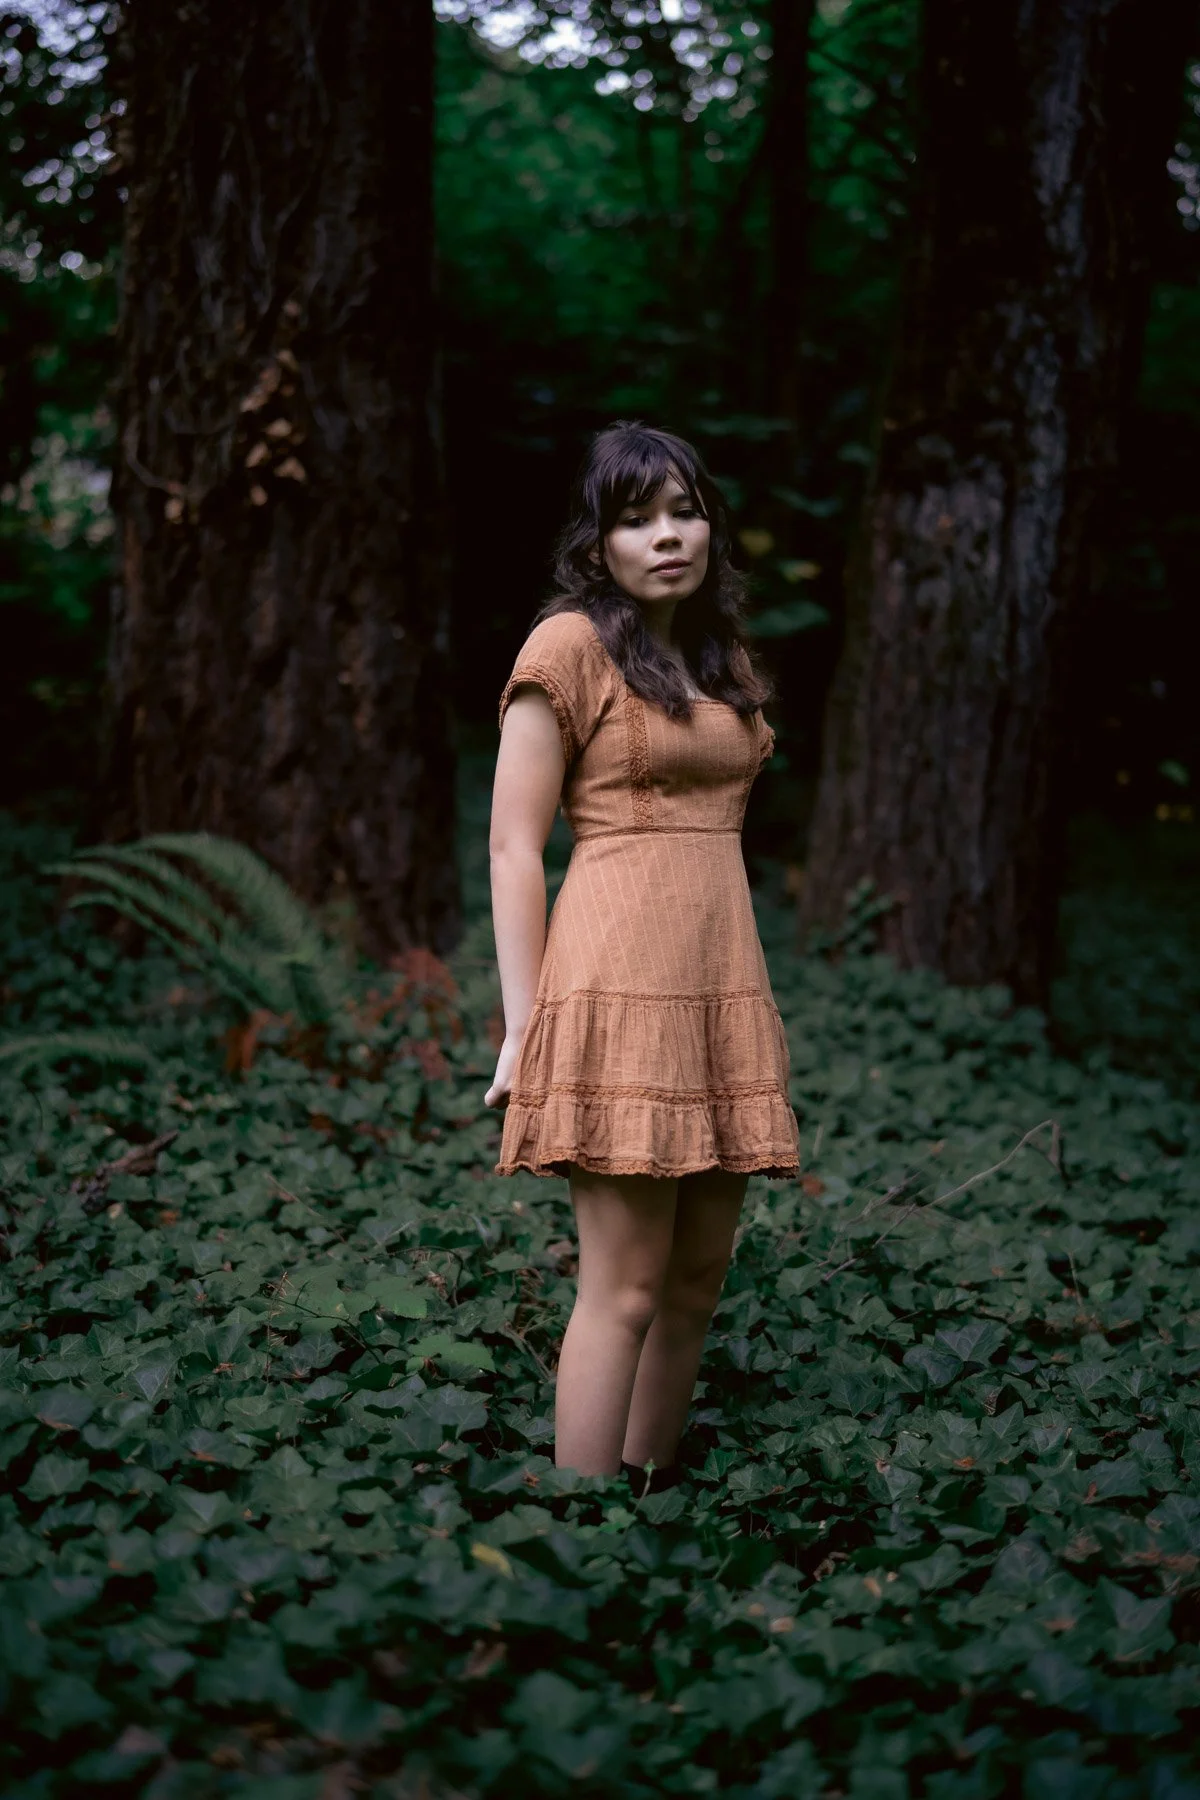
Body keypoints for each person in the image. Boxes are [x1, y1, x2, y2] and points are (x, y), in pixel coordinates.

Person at [485, 420, 799, 1493]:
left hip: (718, 978)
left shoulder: (720, 656)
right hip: (616, 974)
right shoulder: (568, 647)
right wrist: (526, 1024)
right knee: (621, 1285)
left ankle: (646, 1485)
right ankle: (576, 1538)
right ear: (599, 542)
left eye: (683, 510)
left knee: (698, 1276)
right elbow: (514, 844)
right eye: (636, 519)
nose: (667, 536)